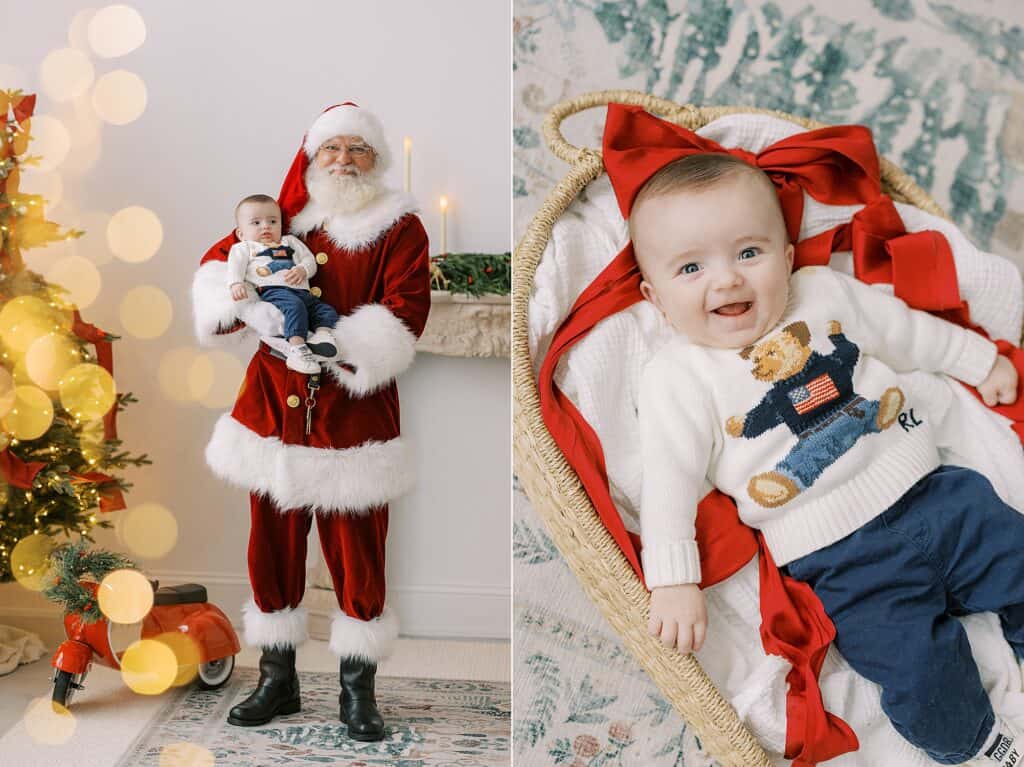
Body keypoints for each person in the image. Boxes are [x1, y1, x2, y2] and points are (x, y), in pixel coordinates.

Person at [633, 151, 1024, 766]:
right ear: (654, 297)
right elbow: (669, 482)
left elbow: (907, 332)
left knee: (1018, 557)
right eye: (690, 267)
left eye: (749, 253)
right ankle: (982, 745)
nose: (728, 280)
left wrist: (978, 361)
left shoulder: (822, 295)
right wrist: (674, 578)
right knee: (917, 675)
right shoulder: (678, 376)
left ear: (788, 257)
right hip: (846, 560)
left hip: (939, 494)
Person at [192, 102, 430, 742]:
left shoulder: (400, 226)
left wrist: (344, 347)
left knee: (358, 549)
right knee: (271, 542)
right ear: (312, 156)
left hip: (354, 410)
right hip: (272, 404)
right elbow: (218, 270)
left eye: (358, 150)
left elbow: (406, 310)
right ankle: (278, 680)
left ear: (375, 161)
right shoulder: (280, 214)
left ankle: (358, 690)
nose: (344, 160)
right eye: (332, 149)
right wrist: (245, 308)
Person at [227, 194, 339, 374]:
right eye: (256, 223)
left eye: (272, 221)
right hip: (273, 290)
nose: (265, 226)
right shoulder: (245, 247)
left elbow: (309, 260)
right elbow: (235, 266)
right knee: (294, 308)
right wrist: (235, 284)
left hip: (303, 292)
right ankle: (297, 350)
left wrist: (303, 270)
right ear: (241, 233)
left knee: (325, 310)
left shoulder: (291, 242)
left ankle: (321, 337)